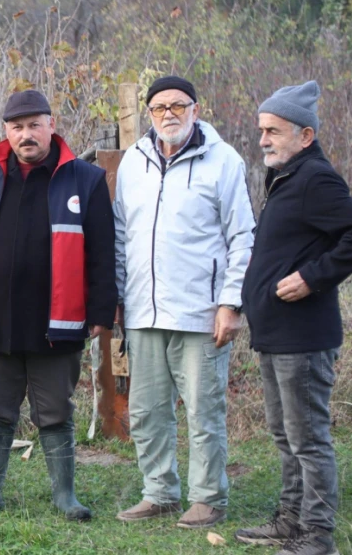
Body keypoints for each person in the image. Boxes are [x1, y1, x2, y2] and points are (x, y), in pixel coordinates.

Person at [0, 90, 116, 521]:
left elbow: (103, 250)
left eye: (33, 125)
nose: (25, 135)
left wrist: (103, 310)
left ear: (51, 124)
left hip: (57, 320)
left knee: (56, 411)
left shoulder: (85, 178)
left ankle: (65, 496)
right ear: (6, 131)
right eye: (16, 127)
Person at [114, 75, 255, 528]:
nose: (168, 114)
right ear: (149, 114)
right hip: (143, 311)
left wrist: (231, 303)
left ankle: (208, 497)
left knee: (203, 409)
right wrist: (118, 298)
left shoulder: (223, 160)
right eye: (159, 108)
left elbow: (242, 236)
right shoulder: (133, 163)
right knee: (147, 411)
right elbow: (122, 235)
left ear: (196, 108)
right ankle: (159, 492)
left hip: (201, 312)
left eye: (178, 105)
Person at [235, 81, 346, 555]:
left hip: (303, 336)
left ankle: (317, 536)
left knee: (308, 439)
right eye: (262, 130)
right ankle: (289, 521)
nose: (263, 139)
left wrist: (313, 277)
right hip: (277, 334)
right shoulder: (285, 176)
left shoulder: (317, 179)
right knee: (285, 436)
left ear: (305, 135)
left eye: (273, 131)